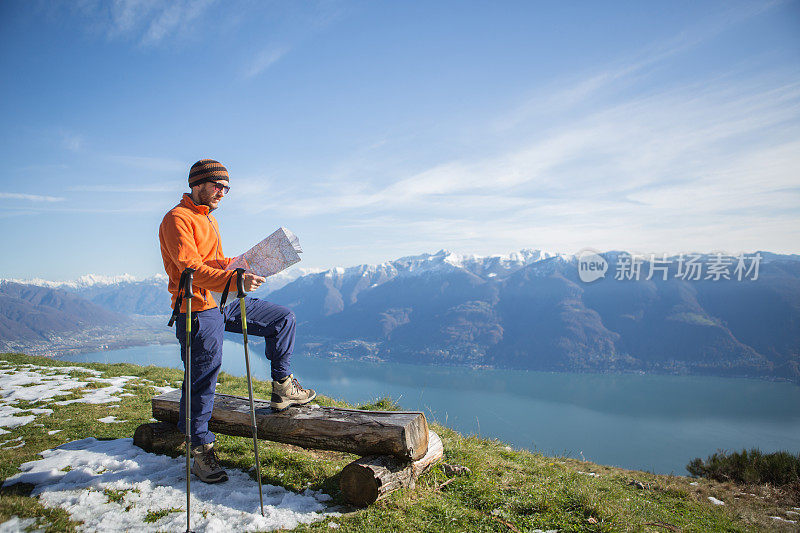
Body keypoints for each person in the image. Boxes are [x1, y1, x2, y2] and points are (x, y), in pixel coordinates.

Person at [159, 158, 316, 484]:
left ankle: (283, 387)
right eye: (218, 186)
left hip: (222, 300)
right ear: (197, 184)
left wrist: (244, 265)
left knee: (283, 319)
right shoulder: (177, 219)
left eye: (227, 188)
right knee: (203, 380)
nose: (223, 192)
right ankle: (200, 449)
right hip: (197, 308)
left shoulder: (208, 221)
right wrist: (234, 283)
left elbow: (214, 263)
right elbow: (190, 270)